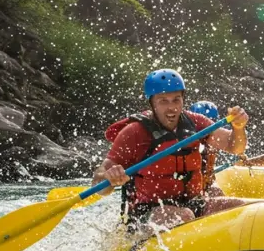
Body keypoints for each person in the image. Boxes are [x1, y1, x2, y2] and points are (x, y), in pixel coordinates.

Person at [94, 70, 249, 229]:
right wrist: (109, 178)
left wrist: (238, 128)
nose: (171, 108)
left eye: (176, 100)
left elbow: (234, 147)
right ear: (152, 103)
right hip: (147, 212)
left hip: (192, 202)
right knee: (184, 216)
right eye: (163, 101)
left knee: (240, 208)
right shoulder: (134, 133)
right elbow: (99, 184)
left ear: (183, 99)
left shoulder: (195, 123)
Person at [189, 100, 226, 197]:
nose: (205, 131)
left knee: (217, 192)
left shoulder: (213, 141)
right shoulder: (186, 141)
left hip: (206, 185)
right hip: (189, 188)